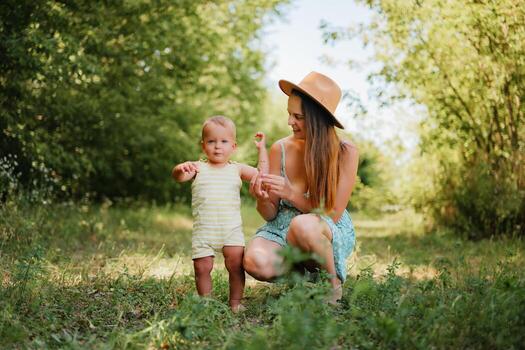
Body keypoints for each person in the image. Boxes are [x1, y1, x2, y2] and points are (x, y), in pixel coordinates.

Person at [243, 71, 359, 303]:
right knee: (254, 260)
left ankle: (331, 284)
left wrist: (290, 193)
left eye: (298, 116)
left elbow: (333, 214)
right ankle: (299, 277)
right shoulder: (280, 149)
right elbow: (270, 213)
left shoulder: (346, 152)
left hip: (322, 228)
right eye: (289, 114)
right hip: (281, 227)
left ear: (317, 119)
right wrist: (262, 198)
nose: (289, 122)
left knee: (303, 226)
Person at [172, 116, 266, 312]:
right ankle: (205, 303)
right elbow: (179, 177)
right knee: (202, 268)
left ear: (233, 146)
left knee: (235, 266)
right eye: (211, 141)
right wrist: (180, 169)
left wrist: (262, 150)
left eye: (224, 142)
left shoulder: (237, 169)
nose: (217, 147)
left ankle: (235, 303)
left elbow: (261, 175)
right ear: (203, 145)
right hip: (204, 231)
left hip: (230, 229)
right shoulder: (197, 167)